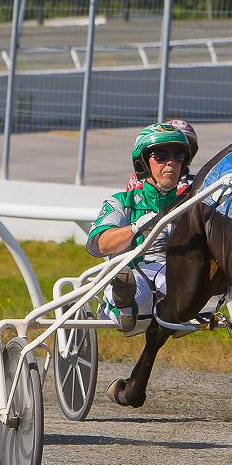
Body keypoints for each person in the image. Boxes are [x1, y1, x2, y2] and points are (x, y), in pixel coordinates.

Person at [86, 123, 196, 332]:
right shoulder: (122, 201)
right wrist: (134, 228)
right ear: (143, 163)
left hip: (177, 272)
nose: (172, 162)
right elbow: (99, 244)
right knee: (137, 288)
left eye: (179, 156)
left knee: (188, 282)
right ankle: (124, 305)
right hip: (133, 269)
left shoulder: (193, 204)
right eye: (161, 156)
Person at [125, 119, 198, 192]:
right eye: (161, 155)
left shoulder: (195, 184)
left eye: (179, 153)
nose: (171, 161)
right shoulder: (138, 182)